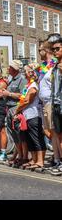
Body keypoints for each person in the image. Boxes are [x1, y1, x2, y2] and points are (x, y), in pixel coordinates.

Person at [15, 65, 46, 170]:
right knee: (30, 139)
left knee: (36, 138)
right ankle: (33, 159)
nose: (24, 73)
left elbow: (27, 100)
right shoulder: (27, 85)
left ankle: (40, 161)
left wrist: (17, 109)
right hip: (27, 115)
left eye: (26, 71)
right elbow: (23, 98)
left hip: (34, 115)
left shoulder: (33, 86)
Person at [37, 40, 61, 175]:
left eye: (40, 49)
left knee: (55, 133)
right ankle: (56, 157)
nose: (39, 52)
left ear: (46, 51)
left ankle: (57, 159)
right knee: (50, 132)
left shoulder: (53, 65)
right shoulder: (44, 66)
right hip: (44, 103)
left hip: (52, 102)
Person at [0, 60, 27, 167]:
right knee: (14, 134)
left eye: (10, 67)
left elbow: (23, 96)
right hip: (9, 108)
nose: (8, 69)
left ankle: (24, 157)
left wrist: (8, 93)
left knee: (20, 134)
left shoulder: (22, 79)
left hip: (16, 108)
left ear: (15, 69)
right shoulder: (10, 80)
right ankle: (19, 156)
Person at [49, 37, 62, 175]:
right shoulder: (54, 66)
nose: (54, 51)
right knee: (58, 135)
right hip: (56, 104)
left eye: (57, 49)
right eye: (53, 50)